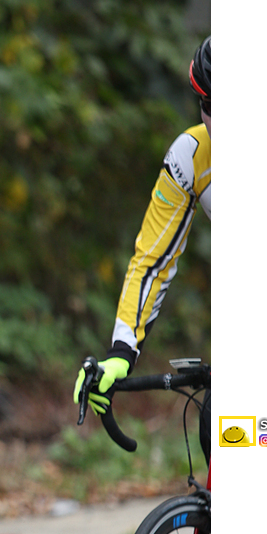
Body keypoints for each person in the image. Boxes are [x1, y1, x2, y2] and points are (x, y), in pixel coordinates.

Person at [75, 37, 211, 430]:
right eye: (210, 106)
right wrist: (121, 351)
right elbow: (152, 261)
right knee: (221, 432)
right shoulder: (192, 155)